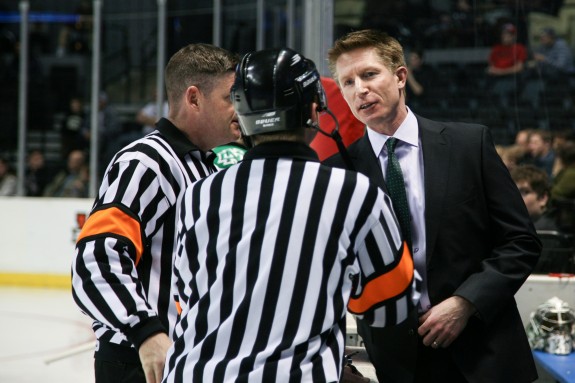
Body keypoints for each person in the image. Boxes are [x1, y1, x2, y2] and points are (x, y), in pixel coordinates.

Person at [162, 48, 417, 383]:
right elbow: (389, 306)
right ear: (315, 110)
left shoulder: (198, 194)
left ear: (240, 114)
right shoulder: (354, 192)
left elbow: (184, 302)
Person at [324, 29, 541, 383]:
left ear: (400, 76)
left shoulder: (470, 144)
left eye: (369, 74)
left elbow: (521, 242)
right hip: (399, 363)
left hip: (486, 352)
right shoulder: (335, 172)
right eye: (347, 82)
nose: (359, 89)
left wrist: (465, 302)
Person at [71, 43, 239, 383]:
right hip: (142, 362)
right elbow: (96, 260)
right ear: (194, 98)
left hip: (181, 359)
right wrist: (146, 332)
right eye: (230, 97)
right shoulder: (147, 162)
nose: (240, 108)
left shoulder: (200, 165)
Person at [510, 164, 558, 231]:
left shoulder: (546, 233)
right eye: (514, 192)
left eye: (525, 192)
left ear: (542, 198)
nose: (516, 198)